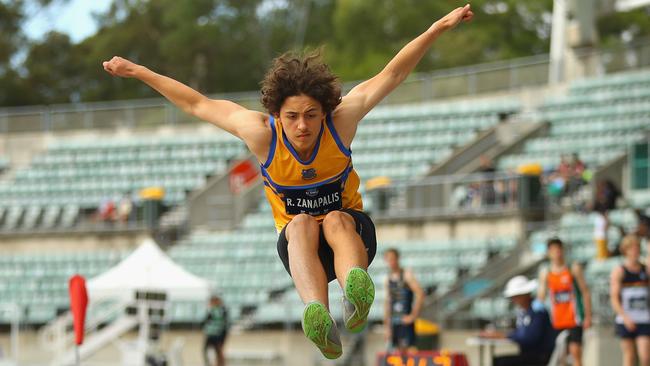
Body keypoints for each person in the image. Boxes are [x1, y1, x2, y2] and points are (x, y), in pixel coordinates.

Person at [102, 5, 474, 359]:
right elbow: (197, 104)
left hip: (352, 238)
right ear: (276, 115)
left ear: (325, 111)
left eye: (312, 115)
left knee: (334, 219)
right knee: (299, 225)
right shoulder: (261, 135)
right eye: (292, 116)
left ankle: (355, 290)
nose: (302, 126)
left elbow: (392, 74)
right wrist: (139, 71)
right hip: (301, 251)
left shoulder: (340, 123)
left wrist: (436, 29)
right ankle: (318, 315)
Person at [537, 238, 592, 366]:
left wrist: (588, 316)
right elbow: (541, 295)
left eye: (558, 249)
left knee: (575, 353)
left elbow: (585, 292)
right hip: (556, 321)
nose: (557, 253)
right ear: (549, 252)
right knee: (560, 356)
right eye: (553, 250)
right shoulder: (546, 273)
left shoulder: (573, 269)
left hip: (574, 319)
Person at [481, 276, 555, 366]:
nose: (514, 300)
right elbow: (522, 333)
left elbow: (530, 338)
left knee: (501, 363)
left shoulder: (537, 311)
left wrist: (505, 336)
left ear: (526, 294)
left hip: (540, 356)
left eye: (517, 296)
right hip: (529, 354)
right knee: (497, 360)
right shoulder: (524, 311)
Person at [610, 235, 650, 366]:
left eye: (637, 248)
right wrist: (625, 317)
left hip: (644, 318)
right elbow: (614, 299)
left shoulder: (645, 269)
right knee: (630, 357)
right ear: (625, 251)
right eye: (631, 248)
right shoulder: (620, 271)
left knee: (645, 357)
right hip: (626, 319)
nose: (635, 251)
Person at [383, 248, 425, 352]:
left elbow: (420, 293)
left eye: (392, 259)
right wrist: (387, 327)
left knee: (410, 353)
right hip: (394, 322)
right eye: (388, 260)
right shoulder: (387, 279)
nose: (391, 262)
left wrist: (413, 316)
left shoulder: (407, 275)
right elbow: (387, 303)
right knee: (397, 355)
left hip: (406, 321)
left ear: (397, 259)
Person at [203, 295, 229, 366]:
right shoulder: (217, 310)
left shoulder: (219, 310)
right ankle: (216, 363)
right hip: (215, 333)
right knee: (216, 351)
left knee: (218, 351)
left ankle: (218, 364)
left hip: (217, 334)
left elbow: (222, 323)